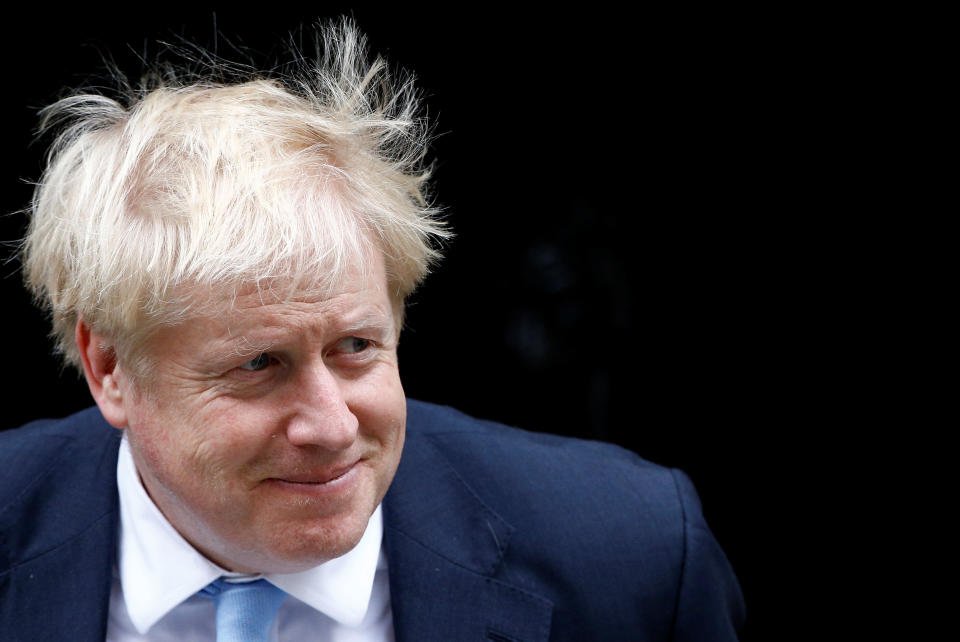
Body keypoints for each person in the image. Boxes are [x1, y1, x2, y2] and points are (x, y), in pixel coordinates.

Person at [0, 20, 744, 641]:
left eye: (355, 347)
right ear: (109, 370)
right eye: (260, 364)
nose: (332, 425)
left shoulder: (632, 555)